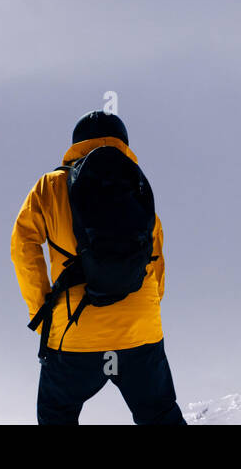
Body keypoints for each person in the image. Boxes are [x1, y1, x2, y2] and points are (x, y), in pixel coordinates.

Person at [11, 111, 186, 424]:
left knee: (57, 414)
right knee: (160, 415)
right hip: (140, 331)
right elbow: (156, 255)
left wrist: (42, 313)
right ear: (123, 143)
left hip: (74, 332)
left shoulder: (50, 186)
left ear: (76, 144)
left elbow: (23, 247)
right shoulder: (137, 183)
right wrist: (143, 307)